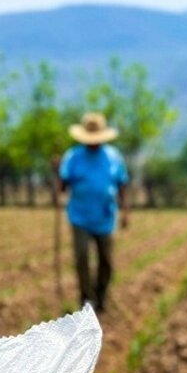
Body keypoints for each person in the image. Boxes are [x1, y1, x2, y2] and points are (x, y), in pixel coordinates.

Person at [56, 112, 130, 313]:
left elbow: (122, 184)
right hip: (79, 216)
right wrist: (57, 173)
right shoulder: (73, 157)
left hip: (105, 216)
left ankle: (101, 295)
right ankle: (86, 298)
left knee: (106, 261)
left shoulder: (113, 157)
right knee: (81, 258)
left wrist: (125, 212)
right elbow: (62, 187)